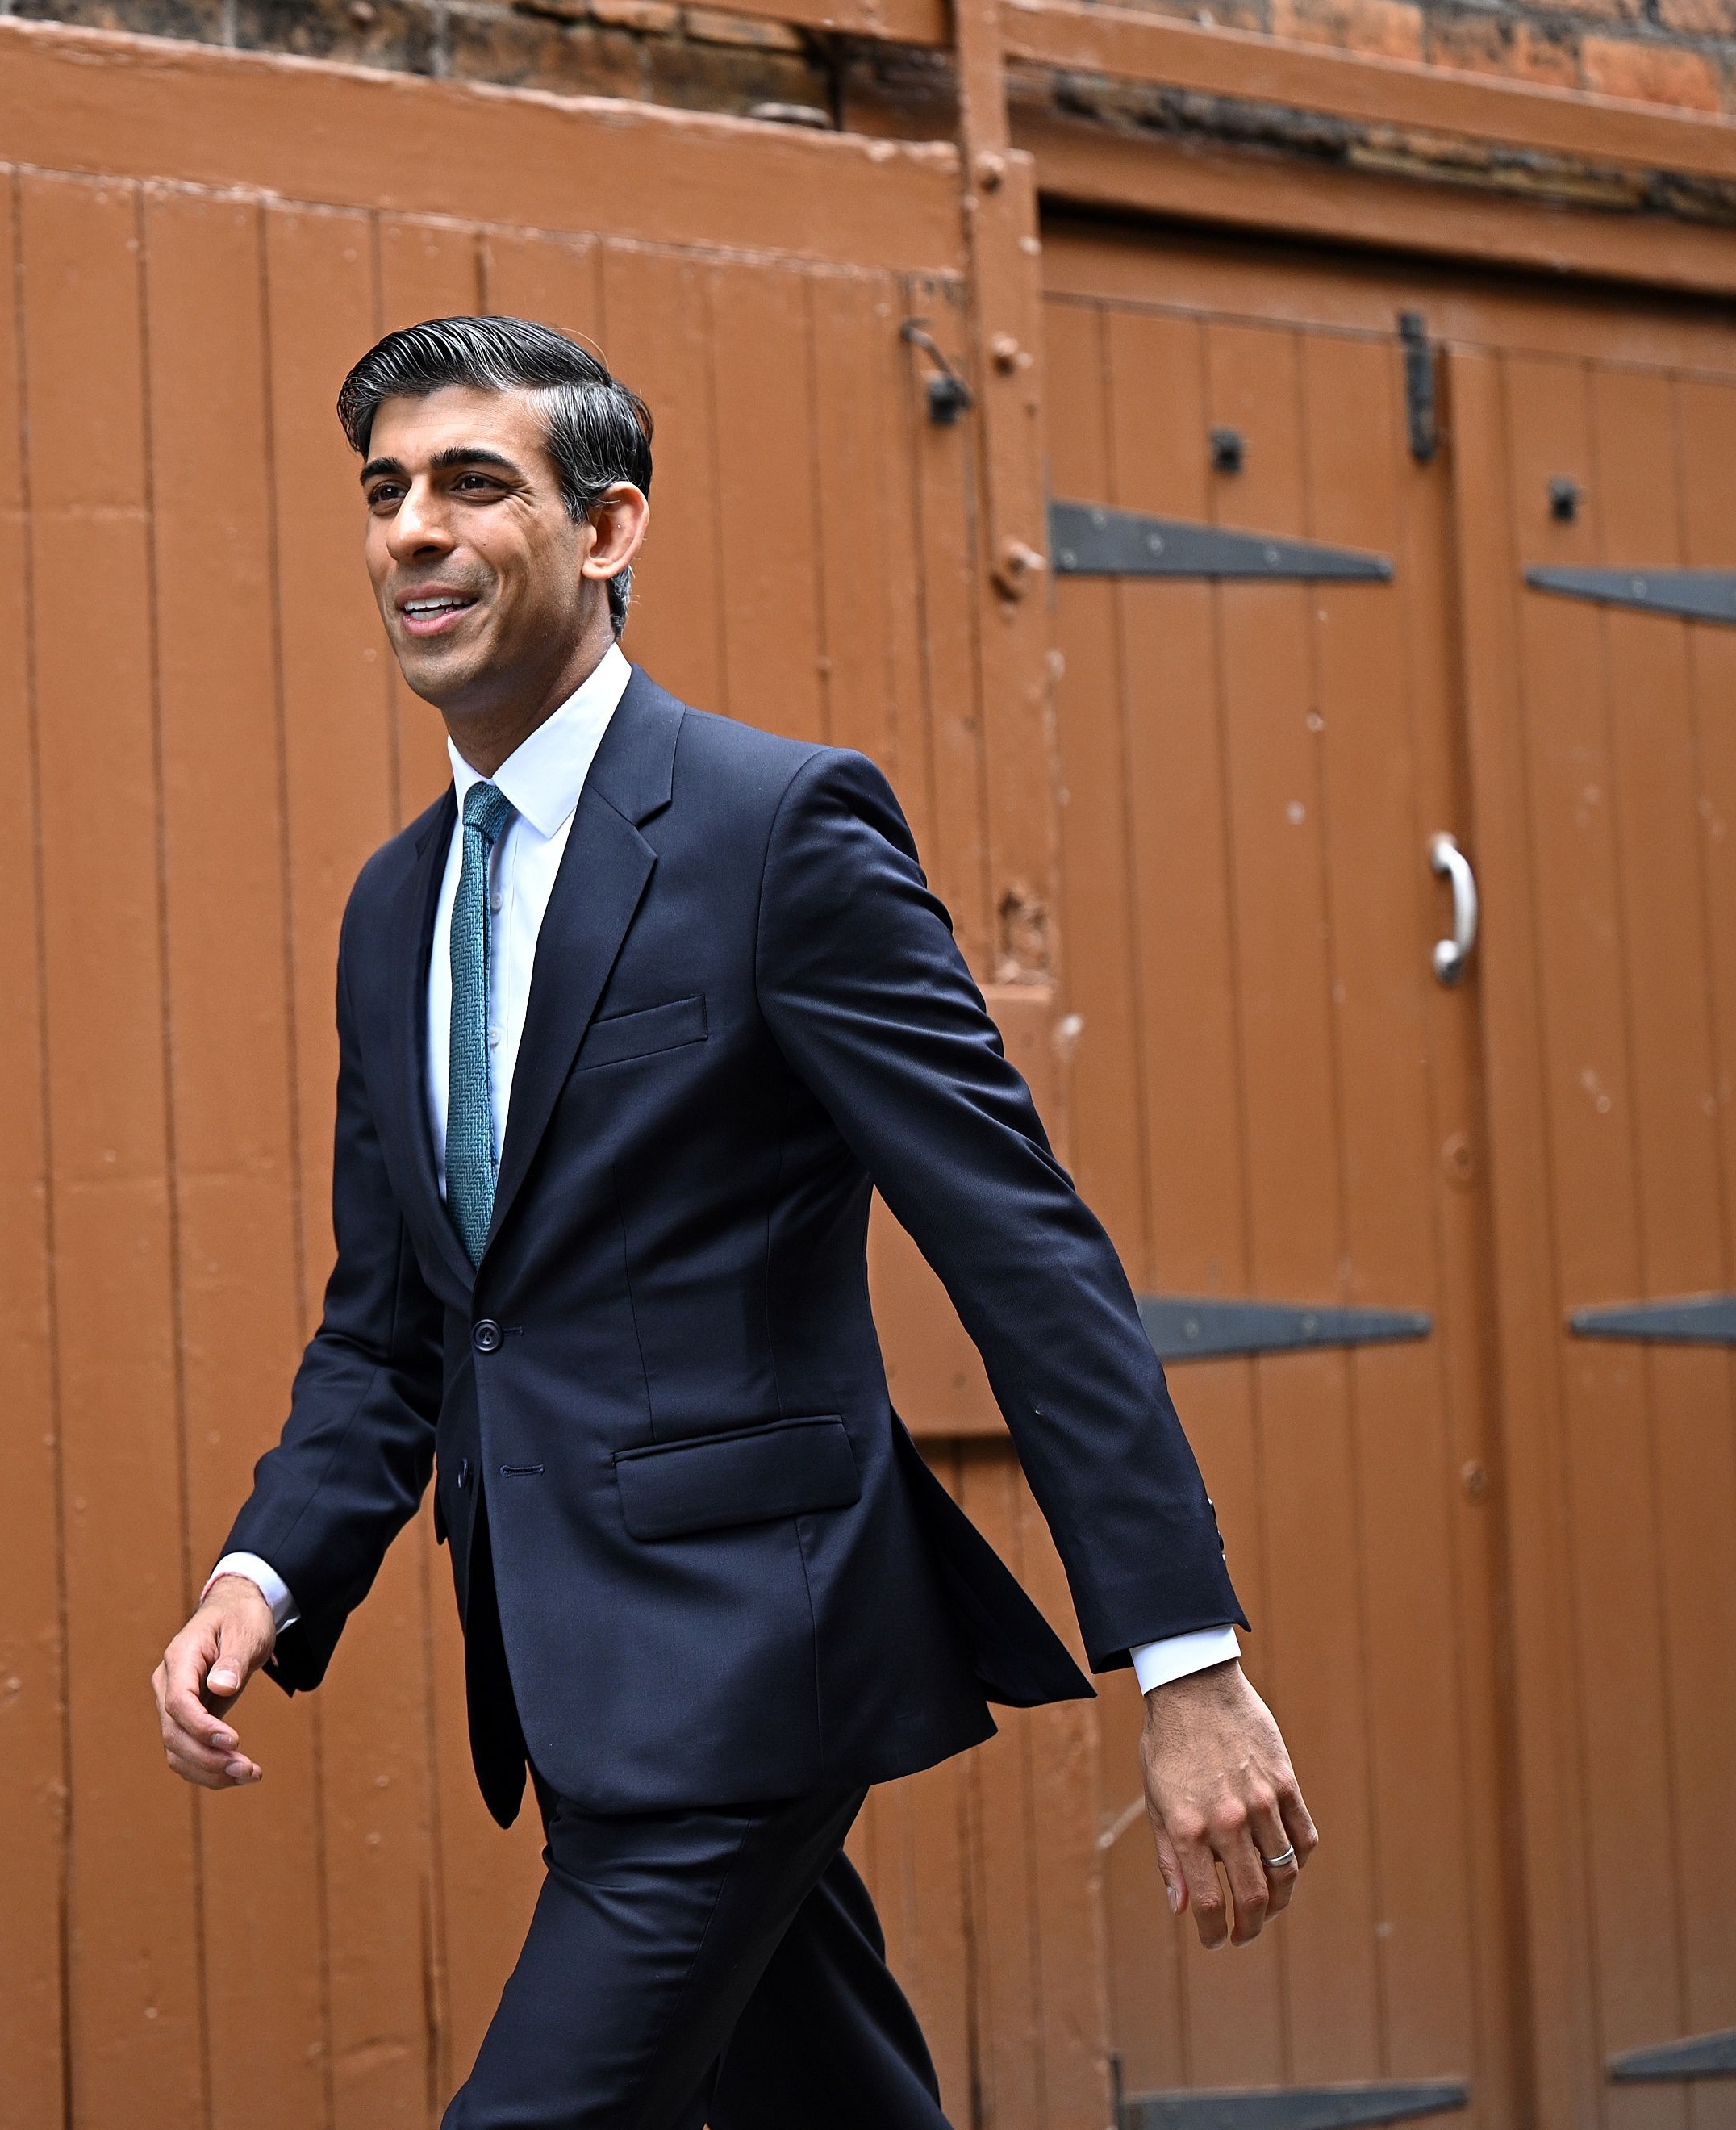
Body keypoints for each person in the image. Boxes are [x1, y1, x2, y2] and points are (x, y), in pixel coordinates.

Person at [150, 315, 1313, 2130]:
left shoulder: (779, 831)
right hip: (567, 1671)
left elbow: (1021, 1248)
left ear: (607, 531)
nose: (409, 533)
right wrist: (263, 1572)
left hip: (745, 1656)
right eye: (383, 494)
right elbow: (396, 1328)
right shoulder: (395, 909)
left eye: (471, 484)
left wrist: (1184, 1661)